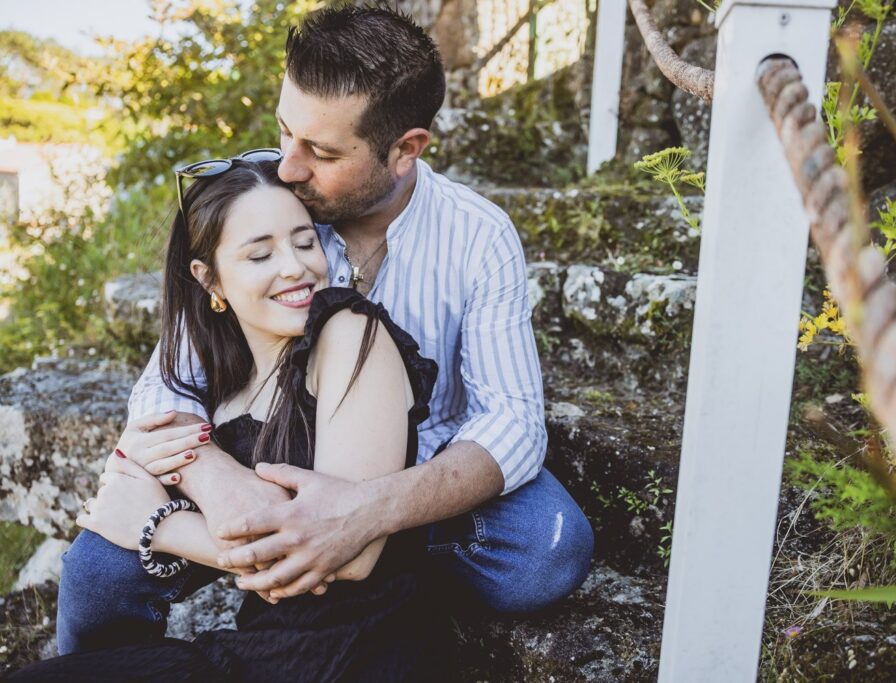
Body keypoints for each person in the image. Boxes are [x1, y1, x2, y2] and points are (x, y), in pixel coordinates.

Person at [57, 4, 593, 655]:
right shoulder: (263, 199)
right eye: (287, 132)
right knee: (95, 573)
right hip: (266, 463)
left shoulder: (477, 237)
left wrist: (366, 512)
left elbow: (512, 420)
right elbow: (163, 386)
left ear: (406, 150)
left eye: (321, 150)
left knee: (545, 548)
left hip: (417, 481)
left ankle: (368, 567)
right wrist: (220, 484)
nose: (288, 166)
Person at [15, 156, 441, 680]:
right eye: (260, 254)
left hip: (350, 653)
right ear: (209, 279)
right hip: (261, 648)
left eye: (305, 242)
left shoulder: (350, 331)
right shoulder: (222, 380)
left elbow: (350, 557)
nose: (295, 267)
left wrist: (160, 526)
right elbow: (147, 426)